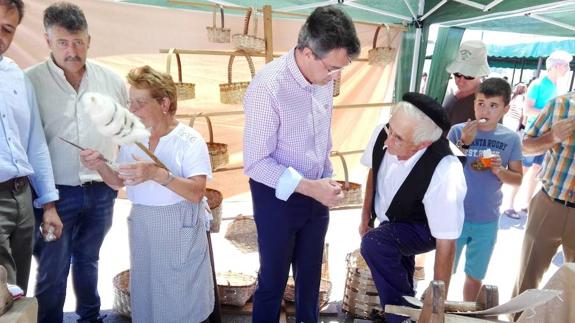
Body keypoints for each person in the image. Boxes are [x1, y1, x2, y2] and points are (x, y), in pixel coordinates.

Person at [243, 5, 360, 322]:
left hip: (316, 193)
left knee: (310, 283)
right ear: (307, 53)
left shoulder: (323, 79)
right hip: (276, 197)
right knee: (273, 282)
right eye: (333, 68)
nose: (335, 77)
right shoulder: (268, 87)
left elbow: (321, 137)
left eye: (341, 69)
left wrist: (327, 179)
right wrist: (310, 187)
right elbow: (255, 164)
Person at [80, 65, 214, 323]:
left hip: (178, 225)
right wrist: (100, 165)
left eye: (140, 103)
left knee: (180, 298)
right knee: (148, 294)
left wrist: (156, 174)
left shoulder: (189, 140)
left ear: (164, 103)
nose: (132, 110)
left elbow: (197, 192)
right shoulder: (133, 138)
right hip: (144, 225)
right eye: (130, 103)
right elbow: (117, 181)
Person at [25, 2, 128, 322]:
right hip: (53, 196)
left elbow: (124, 134)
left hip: (101, 191)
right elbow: (28, 145)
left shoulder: (112, 80)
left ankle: (90, 317)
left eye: (79, 42)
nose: (72, 50)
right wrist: (46, 203)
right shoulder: (30, 82)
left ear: (89, 40)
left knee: (88, 260)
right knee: (53, 269)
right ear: (47, 41)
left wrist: (114, 173)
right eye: (63, 43)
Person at [359, 92, 467, 323]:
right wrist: (365, 217)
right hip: (391, 221)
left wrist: (438, 305)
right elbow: (373, 172)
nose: (388, 142)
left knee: (376, 243)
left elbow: (446, 243)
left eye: (398, 139)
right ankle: (407, 307)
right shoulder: (384, 133)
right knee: (391, 253)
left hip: (425, 228)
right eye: (390, 130)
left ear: (423, 144)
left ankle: (402, 317)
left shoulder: (445, 170)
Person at [0, 0, 62, 294]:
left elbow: (35, 143)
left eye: (7, 29)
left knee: (19, 292)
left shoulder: (17, 77)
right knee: (2, 294)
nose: (0, 35)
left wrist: (48, 205)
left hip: (22, 199)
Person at [447, 78, 523, 301]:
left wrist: (500, 171)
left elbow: (518, 179)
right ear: (473, 103)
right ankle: (437, 311)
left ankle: (467, 314)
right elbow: (444, 167)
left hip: (487, 220)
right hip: (454, 215)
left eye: (493, 105)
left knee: (475, 276)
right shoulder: (457, 131)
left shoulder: (510, 139)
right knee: (444, 272)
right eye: (480, 103)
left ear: (505, 109)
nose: (485, 110)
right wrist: (464, 143)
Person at [510, 91, 575, 321]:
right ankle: (517, 320)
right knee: (528, 279)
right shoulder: (560, 104)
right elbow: (525, 147)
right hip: (549, 204)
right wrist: (552, 137)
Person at [507, 51, 573, 219]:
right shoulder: (538, 84)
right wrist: (551, 114)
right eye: (566, 65)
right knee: (522, 171)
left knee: (537, 173)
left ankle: (527, 205)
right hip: (535, 136)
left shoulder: (556, 86)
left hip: (549, 139)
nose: (567, 69)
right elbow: (527, 110)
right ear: (557, 66)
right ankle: (510, 204)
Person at [443, 40, 491, 126]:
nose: (461, 81)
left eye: (468, 76)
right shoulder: (452, 94)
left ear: (480, 75)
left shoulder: (489, 102)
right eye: (457, 74)